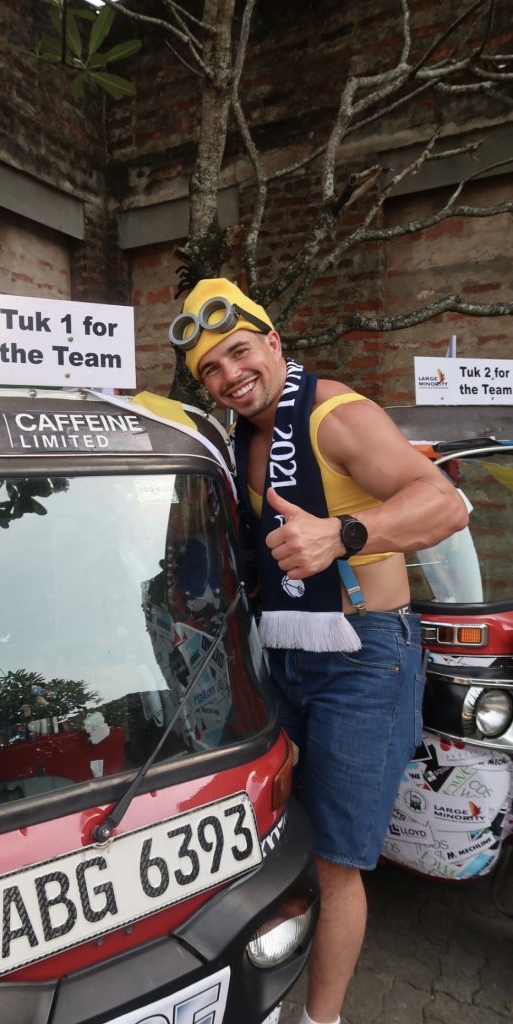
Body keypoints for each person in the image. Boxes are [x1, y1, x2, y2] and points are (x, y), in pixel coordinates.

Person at [168, 278, 468, 1024]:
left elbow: (446, 503)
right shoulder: (238, 436)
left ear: (273, 342)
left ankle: (319, 1020)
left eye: (240, 352)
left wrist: (345, 534)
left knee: (337, 860)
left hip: (364, 655)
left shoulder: (336, 414)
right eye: (211, 368)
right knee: (268, 835)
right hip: (281, 651)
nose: (230, 375)